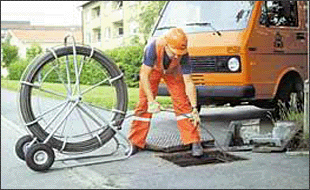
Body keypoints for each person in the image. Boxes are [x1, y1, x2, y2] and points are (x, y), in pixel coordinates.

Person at [127, 28, 203, 157]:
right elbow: (144, 75)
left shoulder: (183, 54)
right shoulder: (153, 47)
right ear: (166, 44)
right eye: (174, 52)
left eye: (180, 53)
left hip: (173, 71)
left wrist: (194, 108)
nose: (177, 55)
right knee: (143, 105)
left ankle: (194, 141)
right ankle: (135, 142)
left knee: (183, 103)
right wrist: (151, 101)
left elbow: (189, 82)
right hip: (153, 71)